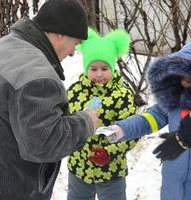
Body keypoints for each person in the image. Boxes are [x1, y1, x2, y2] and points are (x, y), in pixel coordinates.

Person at [0, 0, 99, 200]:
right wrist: (86, 122)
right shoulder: (36, 74)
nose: (73, 52)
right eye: (75, 43)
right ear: (61, 33)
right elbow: (45, 143)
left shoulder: (3, 47)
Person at [109, 37, 191, 199]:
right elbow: (150, 119)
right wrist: (121, 129)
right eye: (182, 74)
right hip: (171, 189)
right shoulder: (175, 99)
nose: (185, 80)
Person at [66, 28, 137, 200]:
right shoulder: (74, 92)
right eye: (93, 68)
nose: (99, 74)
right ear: (86, 68)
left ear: (112, 67)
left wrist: (109, 151)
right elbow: (65, 124)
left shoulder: (122, 95)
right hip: (79, 167)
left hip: (111, 170)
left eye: (105, 68)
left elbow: (132, 130)